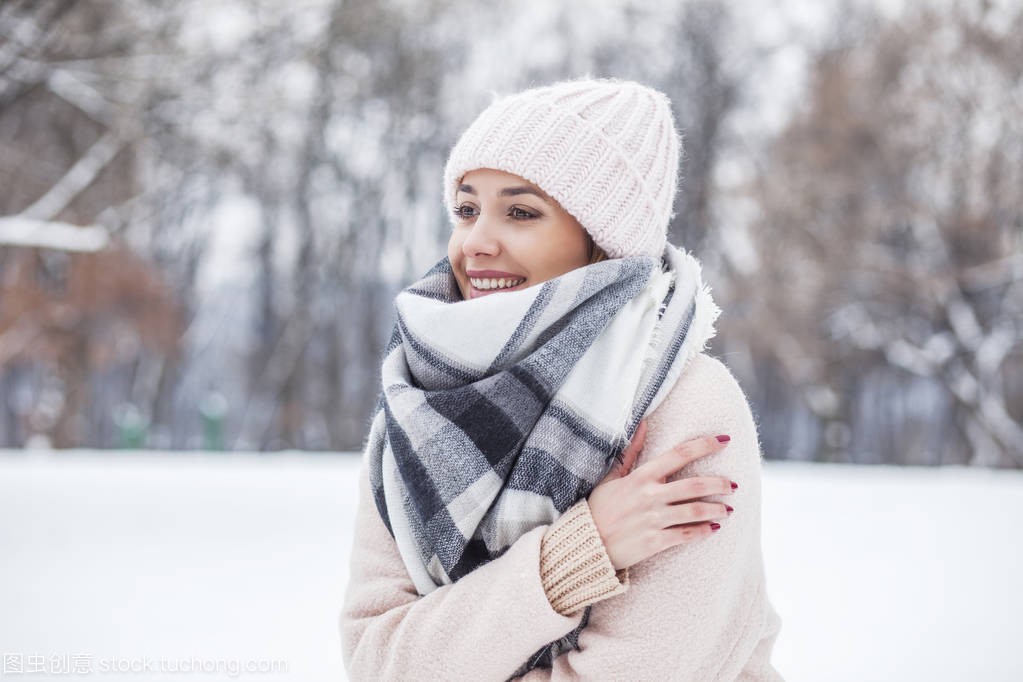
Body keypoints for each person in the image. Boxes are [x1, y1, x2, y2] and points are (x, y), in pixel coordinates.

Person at [340, 78, 782, 681]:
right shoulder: (416, 403)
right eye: (466, 209)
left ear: (601, 243)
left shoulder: (687, 406)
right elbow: (374, 664)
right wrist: (573, 557)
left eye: (520, 212)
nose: (476, 242)